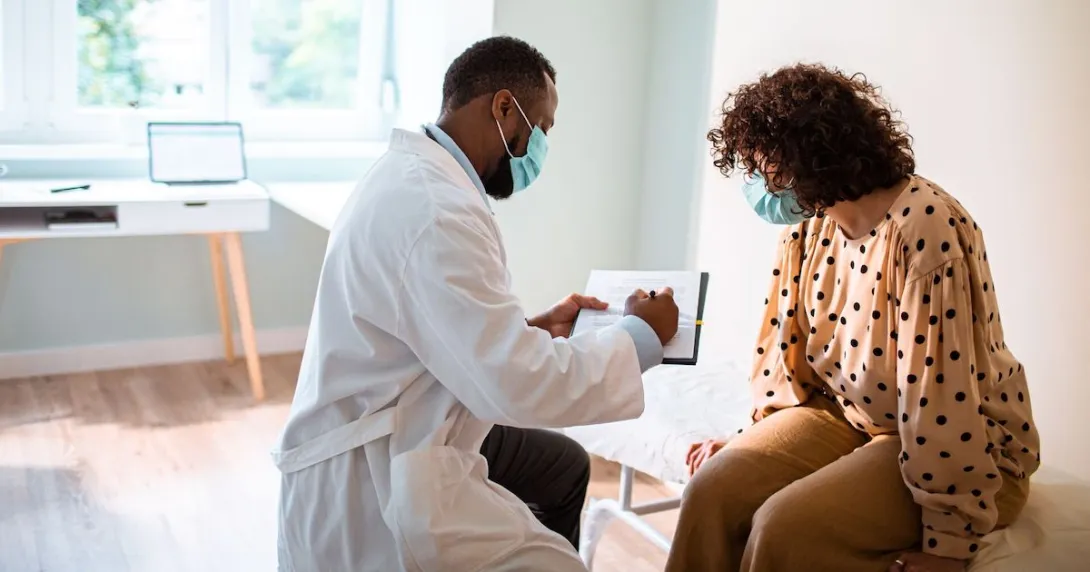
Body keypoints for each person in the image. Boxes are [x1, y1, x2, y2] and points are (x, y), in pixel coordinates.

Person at [271, 36, 680, 572]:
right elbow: (517, 384)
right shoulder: (437, 211)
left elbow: (435, 323)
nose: (541, 151)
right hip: (380, 465)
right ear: (504, 109)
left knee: (562, 467)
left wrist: (531, 327)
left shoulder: (416, 176)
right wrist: (640, 336)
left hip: (416, 410)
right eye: (543, 129)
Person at [666, 64, 1040, 572]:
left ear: (812, 156)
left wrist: (949, 547)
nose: (756, 181)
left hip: (959, 444)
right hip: (846, 416)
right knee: (709, 492)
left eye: (762, 164)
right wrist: (750, 440)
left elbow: (940, 396)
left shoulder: (926, 231)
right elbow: (785, 359)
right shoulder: (808, 226)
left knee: (784, 526)